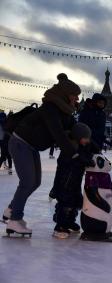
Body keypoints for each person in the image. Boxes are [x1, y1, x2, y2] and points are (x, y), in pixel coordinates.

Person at [3, 73, 81, 236]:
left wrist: (89, 145)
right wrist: (74, 155)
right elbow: (58, 134)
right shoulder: (50, 109)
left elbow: (77, 130)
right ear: (66, 95)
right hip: (20, 143)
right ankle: (14, 220)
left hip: (31, 147)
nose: (77, 100)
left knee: (35, 182)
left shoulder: (64, 112)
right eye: (75, 96)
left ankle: (11, 210)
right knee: (27, 182)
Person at [51, 123, 95, 239]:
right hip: (64, 183)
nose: (87, 141)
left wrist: (89, 158)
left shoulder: (80, 147)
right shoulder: (68, 148)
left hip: (74, 183)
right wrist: (83, 160)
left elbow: (84, 155)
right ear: (78, 137)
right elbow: (71, 162)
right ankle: (60, 226)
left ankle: (69, 222)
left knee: (76, 202)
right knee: (66, 204)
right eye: (86, 138)